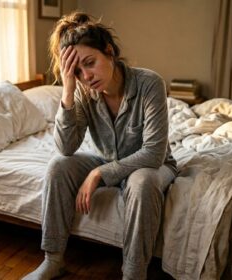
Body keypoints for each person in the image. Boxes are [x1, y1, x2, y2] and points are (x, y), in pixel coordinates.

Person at [22, 11, 177, 280]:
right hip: (109, 159)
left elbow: (153, 154)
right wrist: (68, 92)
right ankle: (53, 259)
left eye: (90, 63)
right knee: (58, 165)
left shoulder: (149, 83)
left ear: (109, 51)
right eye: (77, 72)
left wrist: (98, 174)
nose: (87, 76)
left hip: (153, 165)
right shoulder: (83, 91)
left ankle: (133, 274)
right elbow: (66, 148)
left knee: (142, 182)